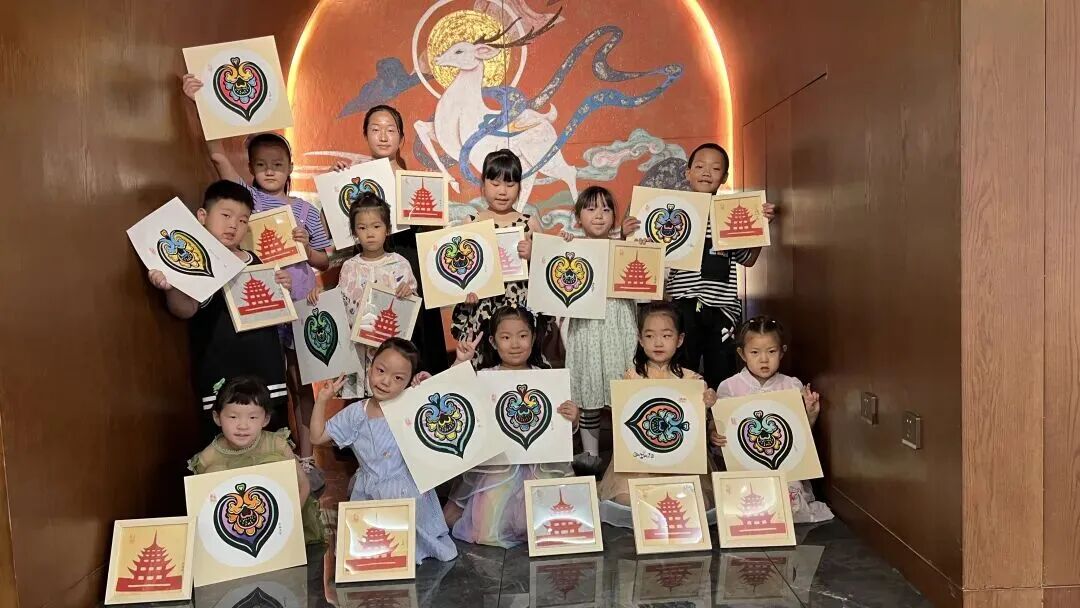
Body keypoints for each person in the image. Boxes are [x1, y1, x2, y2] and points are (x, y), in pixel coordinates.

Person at [182, 74, 332, 474]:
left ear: (290, 167)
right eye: (261, 164)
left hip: (297, 305)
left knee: (302, 382)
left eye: (278, 165)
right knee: (268, 383)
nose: (269, 170)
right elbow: (218, 156)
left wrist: (306, 247)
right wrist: (200, 103)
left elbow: (325, 260)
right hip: (257, 310)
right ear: (250, 167)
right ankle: (264, 456)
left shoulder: (306, 210)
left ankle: (306, 459)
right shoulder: (245, 199)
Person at [147, 181, 291, 441]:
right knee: (224, 447)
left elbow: (274, 307)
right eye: (226, 215)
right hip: (221, 376)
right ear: (202, 216)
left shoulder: (255, 260)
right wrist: (170, 287)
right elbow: (185, 309)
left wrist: (282, 285)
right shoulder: (196, 264)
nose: (233, 225)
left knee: (274, 445)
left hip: (267, 372)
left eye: (243, 220)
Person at [309, 339, 458, 564]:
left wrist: (428, 389)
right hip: (369, 491)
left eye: (398, 378)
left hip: (406, 489)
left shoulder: (410, 404)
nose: (386, 381)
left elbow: (449, 408)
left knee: (406, 544)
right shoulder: (356, 413)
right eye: (381, 371)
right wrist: (322, 400)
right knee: (370, 550)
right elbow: (317, 437)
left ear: (409, 381)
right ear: (370, 366)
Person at [443, 306, 581, 547]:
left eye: (523, 336)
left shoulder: (545, 377)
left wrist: (573, 418)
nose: (515, 344)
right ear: (493, 342)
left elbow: (557, 429)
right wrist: (460, 361)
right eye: (506, 337)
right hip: (498, 465)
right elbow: (455, 398)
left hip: (540, 464)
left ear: (533, 338)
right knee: (485, 526)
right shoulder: (486, 376)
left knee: (545, 523)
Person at [332, 104, 449, 376]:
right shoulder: (354, 180)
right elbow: (337, 231)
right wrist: (336, 182)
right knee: (378, 345)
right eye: (375, 129)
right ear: (365, 135)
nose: (383, 136)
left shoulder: (417, 182)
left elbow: (434, 233)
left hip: (412, 268)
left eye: (391, 130)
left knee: (419, 345)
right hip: (369, 271)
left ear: (402, 138)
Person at [658, 143, 775, 388]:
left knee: (722, 371)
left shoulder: (729, 214)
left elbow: (748, 259)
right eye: (700, 166)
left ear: (724, 176)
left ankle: (719, 413)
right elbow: (654, 254)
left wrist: (760, 228)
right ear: (688, 172)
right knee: (683, 369)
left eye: (715, 168)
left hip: (722, 309)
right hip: (684, 305)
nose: (706, 172)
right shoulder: (673, 215)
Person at [596, 301, 717, 525]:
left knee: (702, 500)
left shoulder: (691, 379)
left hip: (681, 460)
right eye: (650, 336)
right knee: (624, 498)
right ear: (640, 340)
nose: (658, 342)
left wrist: (707, 403)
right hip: (641, 461)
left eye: (666, 335)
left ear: (679, 339)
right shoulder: (632, 377)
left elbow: (697, 426)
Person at [709, 316, 834, 523]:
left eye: (771, 351)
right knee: (744, 503)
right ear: (742, 353)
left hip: (782, 466)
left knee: (788, 503)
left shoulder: (791, 386)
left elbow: (799, 436)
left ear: (782, 351)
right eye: (755, 352)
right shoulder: (729, 387)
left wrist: (810, 414)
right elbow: (720, 425)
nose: (764, 359)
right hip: (744, 464)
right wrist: (715, 434)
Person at [187, 376, 324, 544]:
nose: (243, 425)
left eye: (252, 418)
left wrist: (289, 516)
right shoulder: (208, 457)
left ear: (265, 419)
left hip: (280, 521)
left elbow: (303, 484)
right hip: (233, 529)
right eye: (233, 417)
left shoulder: (277, 445)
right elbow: (203, 505)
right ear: (217, 417)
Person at [561, 186, 639, 473]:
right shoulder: (571, 247)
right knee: (588, 389)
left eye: (606, 209)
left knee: (623, 386)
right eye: (591, 208)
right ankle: (590, 456)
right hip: (586, 326)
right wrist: (562, 248)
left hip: (618, 323)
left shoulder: (624, 245)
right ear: (578, 217)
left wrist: (632, 240)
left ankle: (628, 454)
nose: (599, 215)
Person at [317, 192, 416, 400]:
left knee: (389, 401)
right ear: (354, 232)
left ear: (387, 229)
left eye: (376, 226)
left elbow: (410, 306)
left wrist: (408, 292)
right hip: (358, 350)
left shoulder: (399, 264)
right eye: (362, 228)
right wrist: (320, 298)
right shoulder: (350, 267)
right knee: (363, 404)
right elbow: (340, 303)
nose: (370, 233)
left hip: (389, 349)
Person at [449, 150, 541, 363]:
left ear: (519, 187)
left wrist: (534, 254)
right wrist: (466, 290)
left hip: (519, 311)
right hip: (482, 310)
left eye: (510, 184)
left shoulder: (530, 223)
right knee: (482, 367)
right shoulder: (471, 223)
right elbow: (460, 268)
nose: (502, 191)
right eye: (495, 183)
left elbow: (548, 272)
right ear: (483, 185)